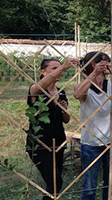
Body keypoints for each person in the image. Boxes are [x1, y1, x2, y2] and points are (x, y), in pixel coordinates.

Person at [74, 47, 112, 200]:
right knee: (90, 185)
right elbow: (78, 94)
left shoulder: (111, 84)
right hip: (91, 142)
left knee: (110, 182)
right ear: (93, 64)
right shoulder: (84, 86)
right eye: (103, 61)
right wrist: (94, 73)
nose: (107, 64)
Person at [26, 57, 79, 200]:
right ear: (43, 72)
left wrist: (64, 109)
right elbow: (38, 88)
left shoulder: (61, 92)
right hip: (39, 143)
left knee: (54, 184)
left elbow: (66, 120)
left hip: (58, 142)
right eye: (54, 69)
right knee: (55, 182)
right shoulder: (35, 89)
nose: (59, 71)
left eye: (59, 68)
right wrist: (64, 67)